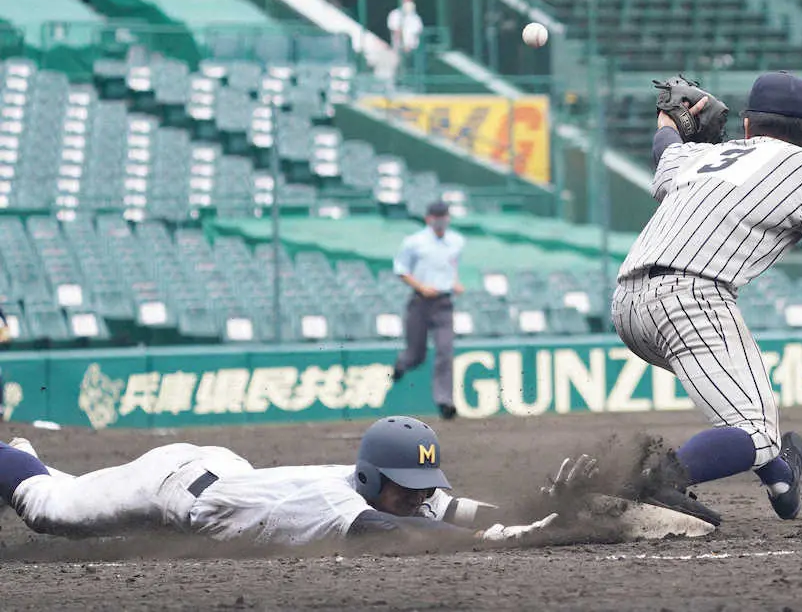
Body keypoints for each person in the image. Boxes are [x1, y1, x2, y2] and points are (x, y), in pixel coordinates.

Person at [613, 71, 802, 525]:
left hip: (627, 305)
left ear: (746, 126)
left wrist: (665, 119)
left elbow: (666, 150)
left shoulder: (705, 156)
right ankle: (653, 482)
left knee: (744, 415)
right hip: (690, 300)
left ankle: (781, 475)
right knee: (756, 431)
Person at [0, 416, 561, 546]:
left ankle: (30, 461)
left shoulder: (387, 490)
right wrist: (498, 540)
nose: (418, 496)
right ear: (370, 478)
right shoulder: (335, 501)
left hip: (223, 472)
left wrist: (537, 512)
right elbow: (401, 536)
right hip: (166, 483)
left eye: (422, 484)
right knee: (50, 509)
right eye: (407, 485)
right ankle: (14, 455)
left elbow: (451, 508)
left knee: (69, 494)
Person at [392, 201, 465, 420]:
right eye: (437, 216)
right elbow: (401, 269)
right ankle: (400, 364)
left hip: (444, 302)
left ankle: (445, 401)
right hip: (421, 302)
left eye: (444, 216)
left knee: (445, 351)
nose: (441, 220)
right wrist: (421, 286)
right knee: (416, 354)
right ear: (428, 219)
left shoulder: (457, 241)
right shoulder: (414, 242)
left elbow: (451, 266)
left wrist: (455, 282)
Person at [386, 0, 424, 77]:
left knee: (412, 69)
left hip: (414, 48)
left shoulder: (415, 17)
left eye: (410, 1)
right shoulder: (396, 14)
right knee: (399, 67)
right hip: (400, 47)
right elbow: (396, 31)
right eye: (407, 1)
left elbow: (419, 32)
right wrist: (403, 45)